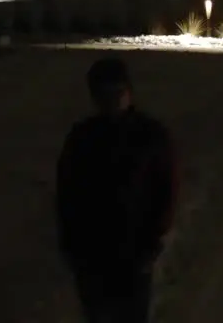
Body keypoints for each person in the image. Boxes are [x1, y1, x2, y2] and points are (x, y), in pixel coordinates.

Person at [56, 58, 179, 323]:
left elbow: (166, 191)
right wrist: (71, 246)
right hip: (91, 257)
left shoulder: (150, 136)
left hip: (133, 254)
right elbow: (67, 194)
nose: (110, 101)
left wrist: (151, 244)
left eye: (117, 92)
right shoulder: (82, 137)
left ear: (129, 92)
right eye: (103, 94)